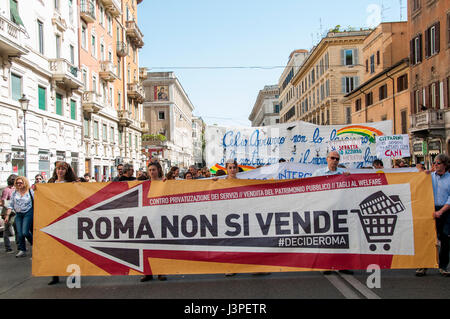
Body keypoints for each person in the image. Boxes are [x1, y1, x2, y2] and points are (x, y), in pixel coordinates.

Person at [312, 152, 352, 275]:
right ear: (327, 159)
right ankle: (327, 265)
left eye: (337, 159)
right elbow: (311, 188)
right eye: (332, 158)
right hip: (325, 210)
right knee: (326, 238)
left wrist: (348, 178)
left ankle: (343, 265)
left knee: (342, 238)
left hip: (341, 209)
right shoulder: (318, 173)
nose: (335, 160)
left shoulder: (343, 173)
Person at [416, 154, 450, 277]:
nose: (435, 165)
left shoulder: (449, 178)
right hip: (428, 209)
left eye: (438, 163)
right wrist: (422, 173)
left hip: (445, 210)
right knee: (426, 238)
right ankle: (422, 266)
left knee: (445, 239)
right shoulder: (429, 176)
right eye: (434, 162)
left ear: (445, 165)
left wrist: (441, 211)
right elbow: (416, 180)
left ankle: (443, 266)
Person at [47, 161, 78, 285]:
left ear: (67, 171)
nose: (60, 171)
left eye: (63, 169)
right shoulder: (50, 183)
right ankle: (55, 274)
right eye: (58, 169)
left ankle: (73, 273)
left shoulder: (71, 184)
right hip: (52, 219)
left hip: (68, 219)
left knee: (70, 248)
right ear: (55, 170)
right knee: (54, 248)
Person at [141, 161, 167, 283]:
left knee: (160, 247)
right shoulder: (144, 184)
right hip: (147, 218)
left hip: (161, 218)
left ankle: (161, 272)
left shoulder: (164, 183)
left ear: (158, 170)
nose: (152, 172)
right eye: (150, 170)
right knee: (146, 247)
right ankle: (148, 273)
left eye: (154, 170)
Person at [4, 176, 34, 258]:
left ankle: (34, 245)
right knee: (20, 233)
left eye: (20, 182)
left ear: (25, 183)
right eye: (17, 183)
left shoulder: (30, 191)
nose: (19, 184)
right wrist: (7, 216)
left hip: (28, 212)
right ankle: (22, 250)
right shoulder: (14, 193)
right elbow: (10, 205)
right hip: (18, 214)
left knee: (25, 232)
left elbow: (37, 202)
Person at [1, 174, 18, 253]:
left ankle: (19, 246)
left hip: (15, 212)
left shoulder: (15, 189)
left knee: (17, 229)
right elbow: (4, 202)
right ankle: (8, 248)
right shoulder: (6, 190)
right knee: (7, 230)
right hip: (8, 213)